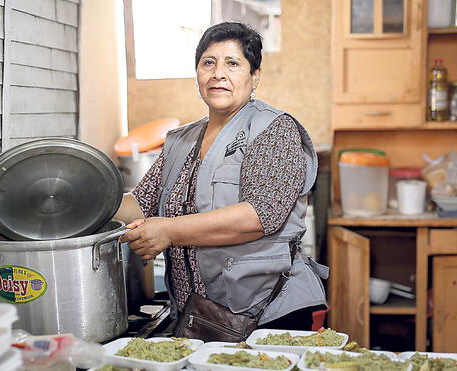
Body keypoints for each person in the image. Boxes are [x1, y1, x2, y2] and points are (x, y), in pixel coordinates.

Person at [114, 22, 328, 330]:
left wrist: (170, 231)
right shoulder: (180, 141)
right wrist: (89, 204)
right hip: (201, 316)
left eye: (233, 63)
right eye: (208, 63)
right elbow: (143, 202)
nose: (218, 74)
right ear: (197, 74)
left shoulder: (274, 130)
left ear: (255, 77)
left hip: (268, 313)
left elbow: (259, 216)